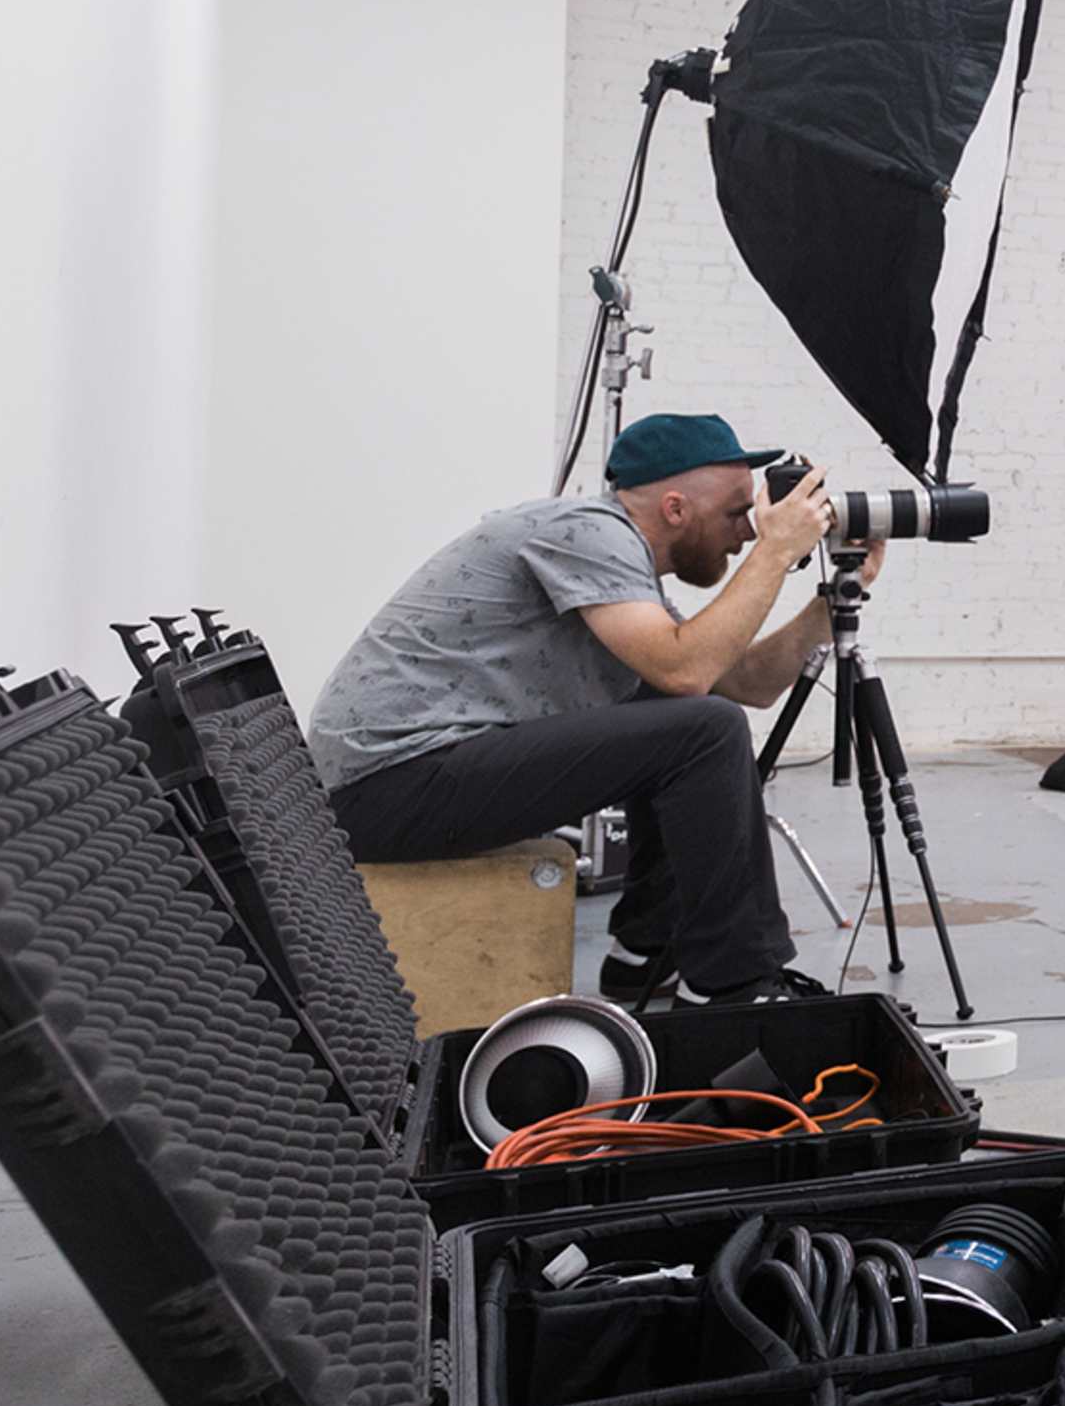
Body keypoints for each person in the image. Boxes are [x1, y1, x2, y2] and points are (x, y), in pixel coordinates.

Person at [308, 412, 871, 1004]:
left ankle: (647, 952)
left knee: (683, 715)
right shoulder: (587, 532)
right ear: (676, 509)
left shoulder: (616, 566)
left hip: (410, 778)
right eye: (737, 513)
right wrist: (777, 555)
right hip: (388, 786)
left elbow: (747, 680)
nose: (751, 531)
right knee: (700, 728)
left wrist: (835, 602)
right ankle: (734, 988)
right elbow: (687, 671)